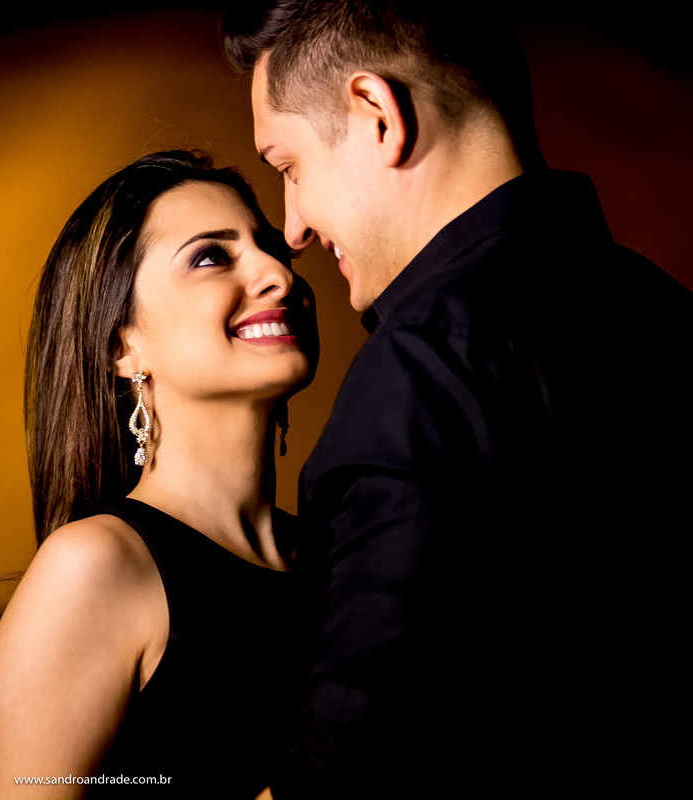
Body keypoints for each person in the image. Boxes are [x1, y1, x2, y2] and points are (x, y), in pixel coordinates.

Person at [223, 1, 693, 794]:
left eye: (288, 168)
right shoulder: (663, 310)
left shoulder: (425, 369)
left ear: (377, 114)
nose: (293, 227)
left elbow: (343, 775)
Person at [0, 150, 320, 798]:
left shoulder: (344, 553)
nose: (278, 273)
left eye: (272, 247)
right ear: (121, 345)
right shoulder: (95, 566)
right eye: (211, 257)